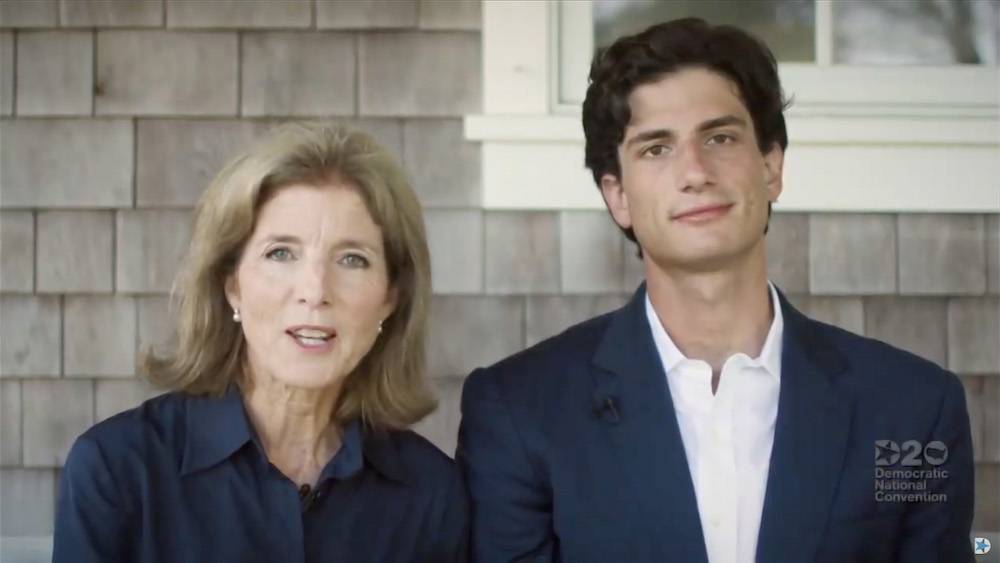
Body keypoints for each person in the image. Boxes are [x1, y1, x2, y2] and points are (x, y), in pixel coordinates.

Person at [457, 18, 974, 563]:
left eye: (720, 137)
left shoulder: (912, 407)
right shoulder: (519, 411)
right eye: (657, 149)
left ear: (771, 166)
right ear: (618, 196)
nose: (695, 171)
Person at [53, 122, 468, 562]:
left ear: (390, 298)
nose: (314, 289)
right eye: (281, 253)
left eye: (352, 258)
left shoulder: (431, 493)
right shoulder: (118, 470)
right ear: (232, 285)